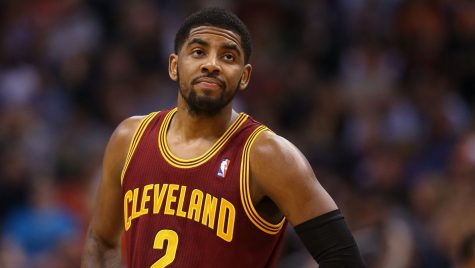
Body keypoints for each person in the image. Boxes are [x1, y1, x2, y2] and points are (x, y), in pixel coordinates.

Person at [81, 7, 365, 268]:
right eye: (198, 52)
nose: (212, 65)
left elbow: (342, 258)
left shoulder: (267, 155)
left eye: (228, 56)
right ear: (174, 65)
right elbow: (101, 242)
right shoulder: (129, 138)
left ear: (244, 76)